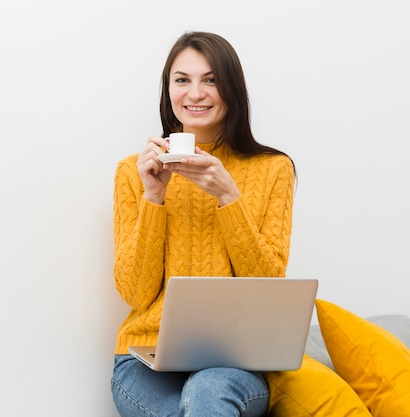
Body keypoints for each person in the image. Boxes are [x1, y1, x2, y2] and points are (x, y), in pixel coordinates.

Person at [110, 31, 296, 417]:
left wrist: (230, 197)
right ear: (168, 91)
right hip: (147, 357)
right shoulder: (134, 171)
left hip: (236, 361)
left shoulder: (273, 169)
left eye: (210, 79)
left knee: (209, 389)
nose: (195, 94)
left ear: (232, 88)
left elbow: (266, 287)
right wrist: (153, 197)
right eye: (182, 80)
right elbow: (136, 293)